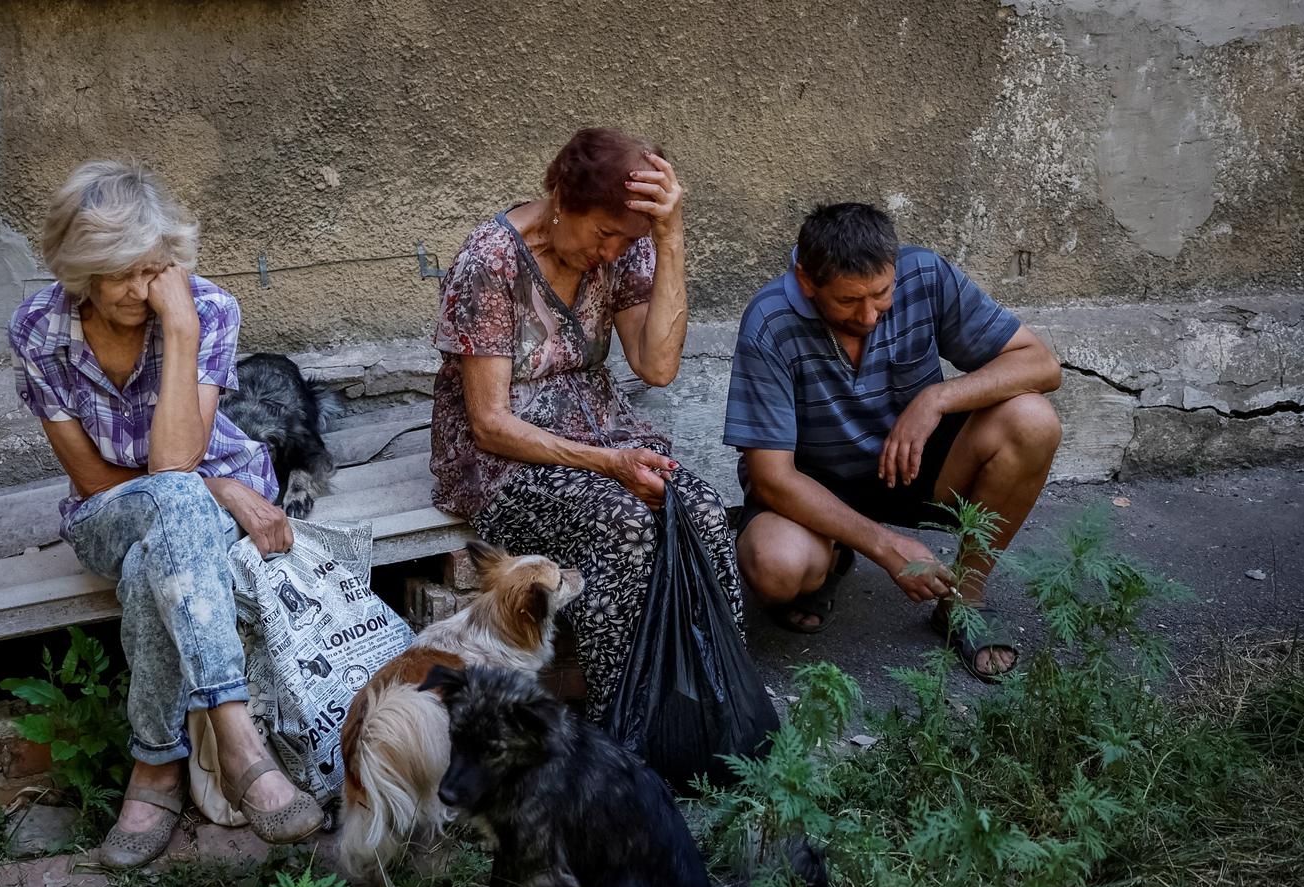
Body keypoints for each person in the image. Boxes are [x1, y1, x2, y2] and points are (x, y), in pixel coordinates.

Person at [9, 160, 324, 868]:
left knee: (161, 550)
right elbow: (92, 477)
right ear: (78, 269)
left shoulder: (206, 310)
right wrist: (222, 489)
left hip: (186, 511)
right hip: (108, 512)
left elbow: (177, 462)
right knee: (178, 500)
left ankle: (154, 769)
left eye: (153, 270)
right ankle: (241, 745)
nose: (137, 290)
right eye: (117, 274)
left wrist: (179, 330)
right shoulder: (37, 329)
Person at [429, 128, 744, 726]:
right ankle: (619, 727)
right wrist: (609, 465)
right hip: (500, 464)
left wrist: (670, 240)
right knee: (625, 524)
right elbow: (490, 424)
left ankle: (714, 709)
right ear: (560, 198)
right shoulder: (492, 260)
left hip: (601, 434)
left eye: (626, 240)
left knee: (699, 510)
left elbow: (658, 366)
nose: (610, 254)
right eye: (603, 234)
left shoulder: (625, 249)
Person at [724, 202, 1062, 681]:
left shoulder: (925, 273)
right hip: (815, 486)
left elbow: (1041, 365)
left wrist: (937, 398)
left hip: (913, 467)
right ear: (806, 281)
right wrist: (883, 546)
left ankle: (963, 599)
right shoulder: (768, 321)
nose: (869, 315)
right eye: (847, 301)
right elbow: (772, 477)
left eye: (882, 293)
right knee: (774, 567)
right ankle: (836, 549)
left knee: (1033, 420)